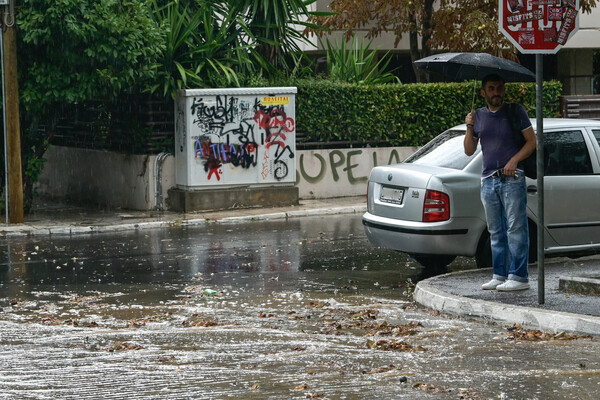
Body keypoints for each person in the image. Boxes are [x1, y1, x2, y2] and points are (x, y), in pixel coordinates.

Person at [464, 73, 536, 291]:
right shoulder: (477, 116)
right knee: (495, 231)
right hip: (488, 180)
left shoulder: (516, 111)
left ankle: (519, 277)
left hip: (512, 178)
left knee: (516, 228)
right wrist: (468, 126)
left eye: (500, 88)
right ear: (483, 92)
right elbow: (468, 151)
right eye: (492, 88)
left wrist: (514, 160)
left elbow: (532, 142)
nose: (497, 92)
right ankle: (499, 274)